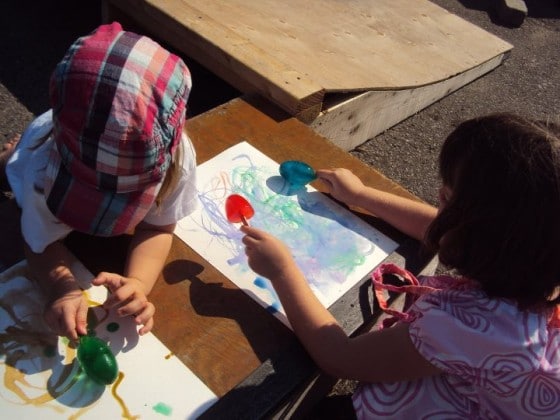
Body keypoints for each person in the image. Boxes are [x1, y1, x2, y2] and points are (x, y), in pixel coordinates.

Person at [241, 113, 560, 418]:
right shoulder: (538, 260)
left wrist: (282, 271)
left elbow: (340, 358)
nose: (437, 200)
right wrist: (361, 195)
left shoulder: (470, 330)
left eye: (447, 198)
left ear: (482, 238)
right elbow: (444, 228)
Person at [0, 22, 197, 341]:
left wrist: (139, 283)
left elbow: (158, 227)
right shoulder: (41, 171)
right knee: (15, 169)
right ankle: (9, 157)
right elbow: (39, 242)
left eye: (127, 195)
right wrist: (60, 287)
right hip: (33, 153)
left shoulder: (178, 158)